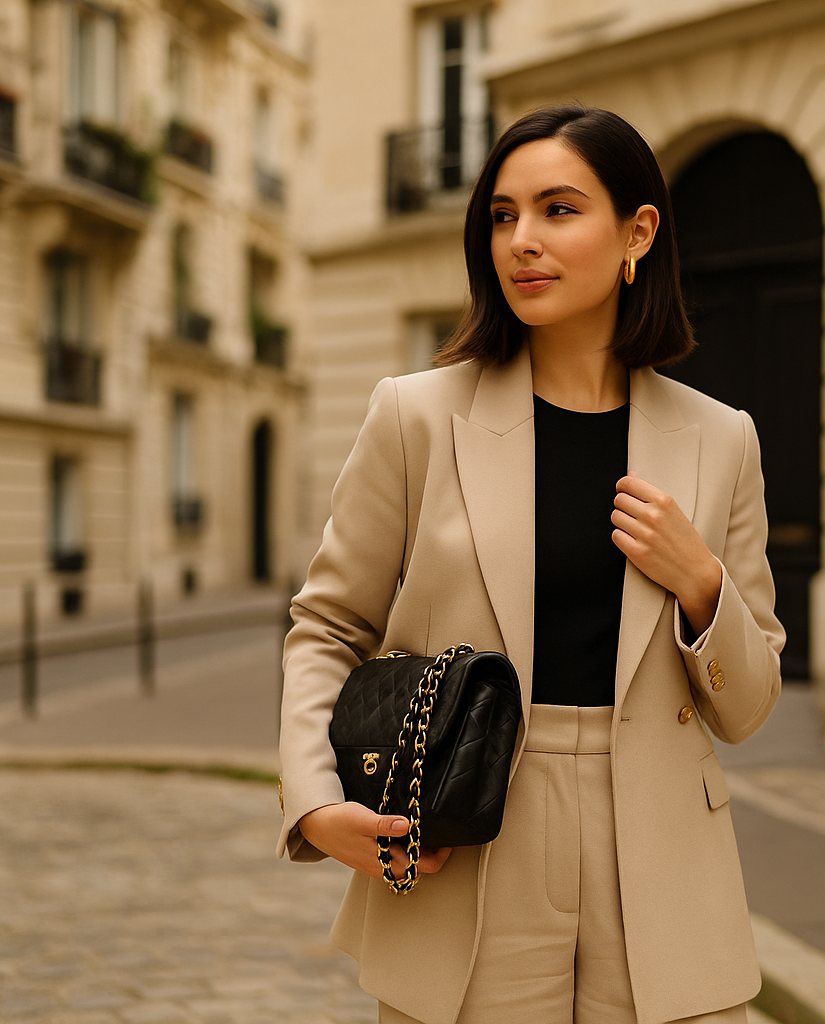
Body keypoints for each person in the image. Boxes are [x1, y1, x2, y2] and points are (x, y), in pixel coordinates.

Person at [276, 105, 785, 1024]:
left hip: (663, 854)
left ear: (637, 233)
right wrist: (314, 801)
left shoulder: (721, 440)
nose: (522, 241)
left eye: (559, 210)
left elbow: (747, 708)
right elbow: (328, 625)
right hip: (471, 828)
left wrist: (703, 586)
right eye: (503, 216)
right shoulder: (416, 416)